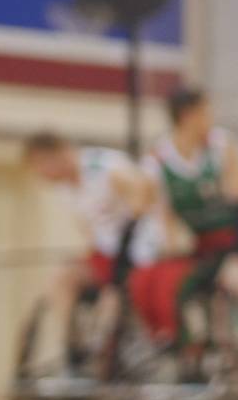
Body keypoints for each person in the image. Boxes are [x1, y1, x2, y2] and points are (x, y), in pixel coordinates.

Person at [137, 88, 238, 379]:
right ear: (189, 116)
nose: (211, 119)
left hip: (235, 242)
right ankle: (185, 353)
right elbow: (162, 216)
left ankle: (208, 348)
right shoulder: (159, 159)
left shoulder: (221, 146)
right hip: (200, 248)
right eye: (206, 112)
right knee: (156, 281)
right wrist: (167, 246)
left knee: (227, 282)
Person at [21, 132, 158, 378]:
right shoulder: (65, 190)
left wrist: (127, 241)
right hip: (106, 253)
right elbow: (91, 230)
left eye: (41, 165)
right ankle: (73, 351)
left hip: (137, 251)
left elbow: (145, 191)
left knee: (111, 300)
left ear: (57, 153)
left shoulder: (102, 167)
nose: (41, 174)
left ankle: (106, 355)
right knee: (60, 279)